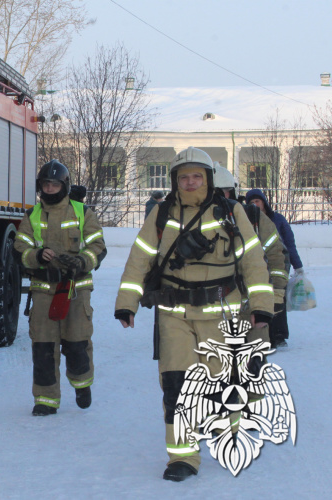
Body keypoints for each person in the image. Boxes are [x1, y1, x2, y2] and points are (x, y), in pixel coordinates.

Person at [114, 147, 274, 482]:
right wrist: (126, 302)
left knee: (224, 386)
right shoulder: (160, 214)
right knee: (176, 385)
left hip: (223, 315)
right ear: (174, 180)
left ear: (209, 178)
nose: (190, 182)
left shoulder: (232, 212)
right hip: (174, 315)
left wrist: (261, 306)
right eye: (184, 176)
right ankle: (182, 457)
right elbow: (139, 259)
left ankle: (227, 430)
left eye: (196, 176)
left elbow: (253, 261)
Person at [14, 160, 106, 416]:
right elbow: (20, 248)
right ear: (40, 187)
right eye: (46, 184)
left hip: (75, 289)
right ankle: (45, 400)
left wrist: (81, 261)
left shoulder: (82, 211)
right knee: (43, 348)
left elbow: (97, 245)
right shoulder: (31, 215)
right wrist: (37, 256)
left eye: (55, 184)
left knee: (77, 345)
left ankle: (82, 385)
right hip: (43, 291)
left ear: (64, 186)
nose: (50, 188)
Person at [214, 164, 289, 349]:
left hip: (251, 307)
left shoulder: (253, 216)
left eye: (221, 192)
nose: (216, 199)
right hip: (211, 313)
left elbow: (277, 255)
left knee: (253, 367)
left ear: (231, 192)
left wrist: (276, 295)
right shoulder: (196, 221)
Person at [244, 188, 302, 348]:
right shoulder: (247, 219)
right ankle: (266, 334)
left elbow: (289, 244)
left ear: (264, 202)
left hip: (279, 262)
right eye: (251, 202)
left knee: (277, 299)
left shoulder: (277, 219)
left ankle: (279, 334)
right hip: (259, 266)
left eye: (257, 201)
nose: (255, 204)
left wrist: (298, 266)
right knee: (262, 300)